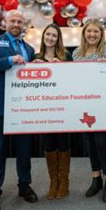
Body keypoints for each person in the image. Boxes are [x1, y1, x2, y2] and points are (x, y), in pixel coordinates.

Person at [0, 10, 38, 210]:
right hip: (0, 105)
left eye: (19, 21)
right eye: (12, 20)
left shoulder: (29, 48)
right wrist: (10, 60)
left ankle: (24, 185)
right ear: (5, 23)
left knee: (24, 149)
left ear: (24, 25)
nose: (16, 24)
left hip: (23, 107)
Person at [72, 19, 106, 203]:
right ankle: (96, 179)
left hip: (104, 104)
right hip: (84, 105)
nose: (92, 35)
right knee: (90, 142)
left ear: (102, 34)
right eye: (89, 31)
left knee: (103, 141)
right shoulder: (77, 53)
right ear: (84, 33)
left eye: (96, 32)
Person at [33, 23, 72, 200]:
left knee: (63, 143)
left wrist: (62, 66)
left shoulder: (66, 56)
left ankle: (64, 181)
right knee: (49, 144)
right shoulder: (36, 56)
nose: (50, 38)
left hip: (63, 109)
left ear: (58, 39)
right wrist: (32, 66)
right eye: (47, 34)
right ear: (43, 37)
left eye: (54, 35)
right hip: (44, 109)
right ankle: (53, 181)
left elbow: (74, 81)